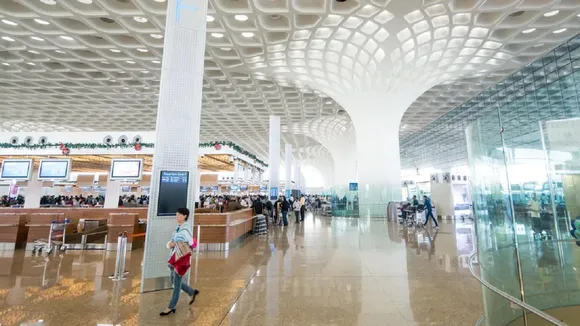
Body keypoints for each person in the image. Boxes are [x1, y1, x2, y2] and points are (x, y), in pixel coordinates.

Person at [160, 208, 199, 316]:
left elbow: (184, 241)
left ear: (185, 216)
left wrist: (171, 243)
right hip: (175, 257)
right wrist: (171, 243)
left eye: (179, 215)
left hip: (179, 260)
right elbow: (175, 242)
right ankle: (192, 292)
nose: (177, 217)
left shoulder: (185, 230)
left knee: (176, 284)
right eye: (176, 215)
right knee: (173, 280)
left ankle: (171, 307)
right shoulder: (179, 228)